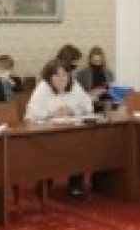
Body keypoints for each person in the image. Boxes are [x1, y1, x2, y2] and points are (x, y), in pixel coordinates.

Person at [25, 60, 94, 197]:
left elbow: (88, 106)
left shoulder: (75, 86)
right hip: (47, 133)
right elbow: (31, 113)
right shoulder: (43, 88)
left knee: (80, 144)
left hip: (72, 131)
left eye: (65, 75)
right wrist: (51, 113)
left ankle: (75, 185)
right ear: (49, 77)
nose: (61, 79)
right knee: (50, 149)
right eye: (57, 75)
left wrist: (72, 111)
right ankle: (45, 183)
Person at [75, 46, 115, 111]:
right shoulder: (82, 74)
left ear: (103, 60)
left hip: (107, 103)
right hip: (90, 103)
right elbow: (77, 93)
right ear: (90, 60)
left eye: (99, 61)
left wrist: (106, 90)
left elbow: (113, 91)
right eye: (95, 61)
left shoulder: (109, 73)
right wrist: (92, 93)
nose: (97, 64)